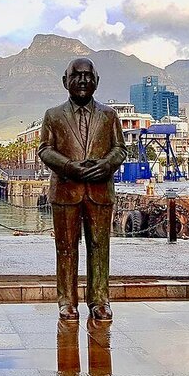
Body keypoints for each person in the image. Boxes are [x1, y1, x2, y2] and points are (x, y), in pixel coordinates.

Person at [39, 58, 126, 321]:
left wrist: (106, 165)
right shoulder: (53, 115)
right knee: (65, 247)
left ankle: (100, 299)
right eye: (76, 76)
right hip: (66, 190)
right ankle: (67, 300)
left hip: (100, 190)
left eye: (88, 76)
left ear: (97, 81)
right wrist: (69, 167)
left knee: (100, 246)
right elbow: (44, 149)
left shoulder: (109, 115)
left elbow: (120, 148)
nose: (83, 81)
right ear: (65, 81)